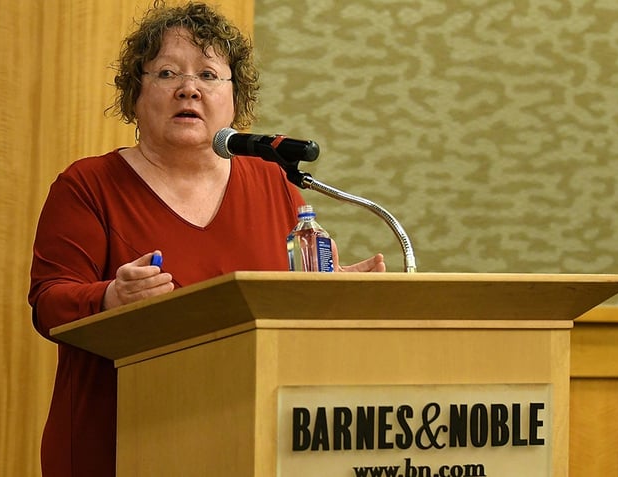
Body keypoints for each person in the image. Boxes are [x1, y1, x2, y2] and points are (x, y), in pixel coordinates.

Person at [28, 2, 386, 475]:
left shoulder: (275, 184)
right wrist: (110, 297)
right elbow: (49, 301)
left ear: (235, 98)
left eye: (209, 75)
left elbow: (295, 295)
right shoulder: (88, 185)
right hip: (121, 439)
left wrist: (328, 293)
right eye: (167, 73)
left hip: (249, 441)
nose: (189, 89)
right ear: (135, 94)